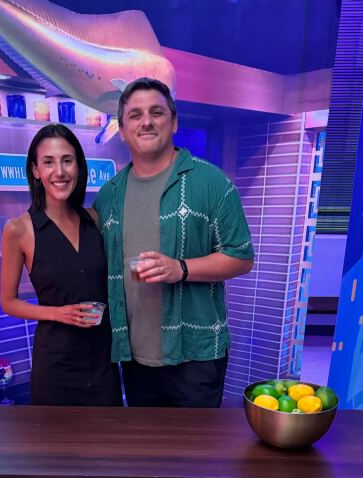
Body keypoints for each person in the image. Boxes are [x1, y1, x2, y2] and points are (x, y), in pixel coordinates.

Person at [93, 78, 254, 407]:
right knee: (147, 453)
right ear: (122, 130)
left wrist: (179, 268)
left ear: (174, 120)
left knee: (195, 455)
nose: (147, 121)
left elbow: (241, 257)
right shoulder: (109, 195)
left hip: (195, 356)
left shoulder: (212, 183)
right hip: (133, 354)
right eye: (135, 115)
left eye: (157, 112)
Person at [0, 124, 122, 406]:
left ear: (78, 166)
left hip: (104, 362)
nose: (60, 171)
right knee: (58, 448)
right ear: (35, 170)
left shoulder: (95, 219)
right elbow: (8, 302)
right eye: (48, 162)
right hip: (56, 366)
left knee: (110, 446)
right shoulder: (19, 229)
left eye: (67, 160)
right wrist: (58, 313)